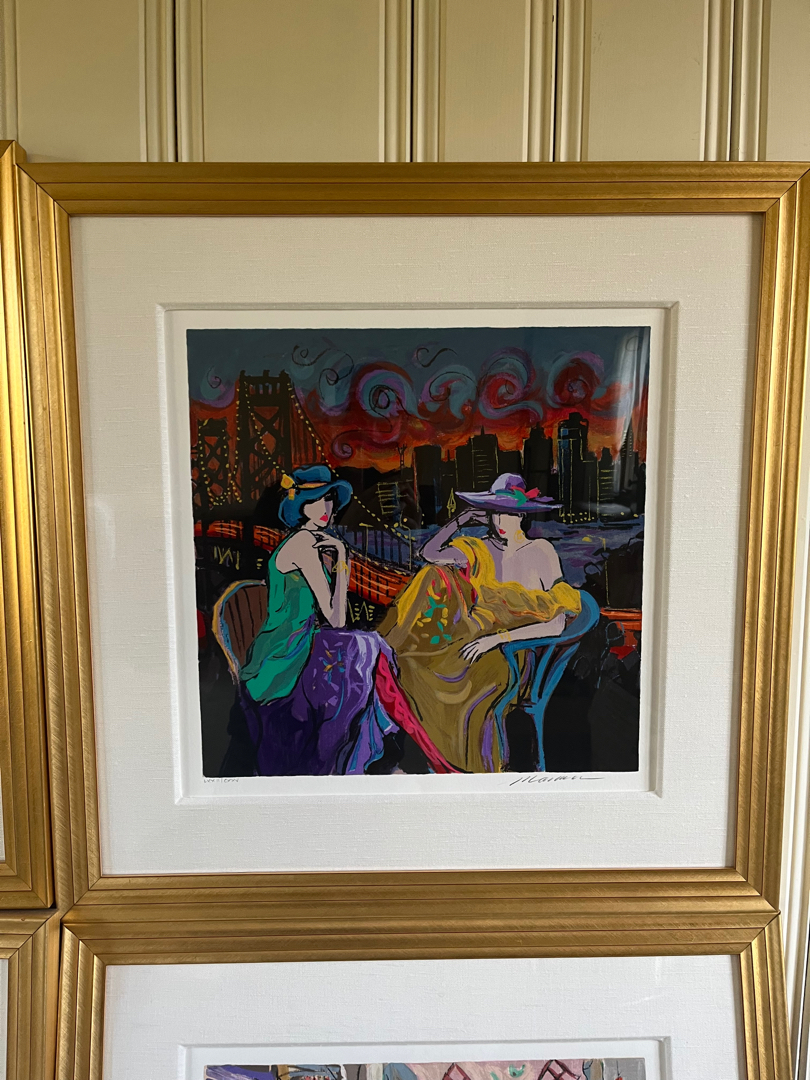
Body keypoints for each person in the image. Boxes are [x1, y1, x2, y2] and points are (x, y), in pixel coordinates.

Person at [238, 464, 458, 775]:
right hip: (285, 650)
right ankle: (368, 755)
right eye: (314, 501)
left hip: (300, 639)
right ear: (300, 506)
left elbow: (332, 617)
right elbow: (337, 618)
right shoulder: (303, 544)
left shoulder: (310, 541)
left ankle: (372, 754)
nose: (325, 509)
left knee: (369, 648)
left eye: (328, 500)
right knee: (366, 648)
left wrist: (339, 557)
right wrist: (342, 557)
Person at [381, 473, 582, 771]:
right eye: (493, 512)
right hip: (470, 638)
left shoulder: (541, 551)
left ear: (521, 516)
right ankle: (433, 758)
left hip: (513, 652)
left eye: (507, 513)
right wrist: (459, 522)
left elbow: (556, 625)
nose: (499, 521)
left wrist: (497, 639)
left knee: (467, 679)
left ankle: (470, 768)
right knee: (416, 652)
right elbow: (429, 553)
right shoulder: (479, 548)